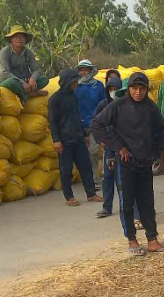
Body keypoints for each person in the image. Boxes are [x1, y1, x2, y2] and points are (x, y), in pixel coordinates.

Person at [91, 72, 164, 255]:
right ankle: (132, 240)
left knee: (147, 202)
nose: (138, 92)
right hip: (125, 163)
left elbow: (161, 129)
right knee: (127, 203)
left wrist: (156, 153)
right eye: (135, 88)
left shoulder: (150, 107)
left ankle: (152, 239)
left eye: (142, 89)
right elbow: (97, 124)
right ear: (129, 89)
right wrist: (118, 147)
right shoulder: (118, 106)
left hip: (144, 163)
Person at [48, 69, 102, 207]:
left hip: (78, 137)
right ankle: (69, 197)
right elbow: (53, 121)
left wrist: (84, 135)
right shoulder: (55, 99)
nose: (77, 83)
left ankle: (91, 194)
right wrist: (56, 140)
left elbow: (77, 117)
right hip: (64, 140)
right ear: (68, 82)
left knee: (85, 166)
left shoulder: (73, 96)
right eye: (74, 81)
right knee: (66, 169)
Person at [93, 76, 137, 219]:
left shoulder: (130, 107)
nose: (113, 92)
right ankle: (107, 207)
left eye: (116, 89)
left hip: (125, 147)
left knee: (125, 181)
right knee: (108, 177)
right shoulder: (104, 105)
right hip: (110, 147)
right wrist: (102, 139)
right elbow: (96, 124)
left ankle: (131, 211)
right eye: (110, 89)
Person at [0, 25, 50, 103]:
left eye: (21, 37)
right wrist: (22, 83)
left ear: (25, 39)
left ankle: (23, 93)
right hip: (9, 80)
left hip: (25, 80)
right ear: (11, 39)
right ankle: (30, 94)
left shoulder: (28, 53)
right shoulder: (4, 52)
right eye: (16, 37)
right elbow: (5, 73)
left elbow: (36, 70)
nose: (19, 39)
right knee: (11, 82)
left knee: (44, 79)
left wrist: (33, 79)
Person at [75, 59, 105, 187]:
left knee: (93, 151)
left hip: (94, 123)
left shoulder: (98, 85)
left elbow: (104, 104)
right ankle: (86, 179)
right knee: (82, 153)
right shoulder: (75, 86)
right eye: (81, 70)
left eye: (85, 70)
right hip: (78, 124)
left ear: (91, 71)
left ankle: (93, 179)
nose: (83, 72)